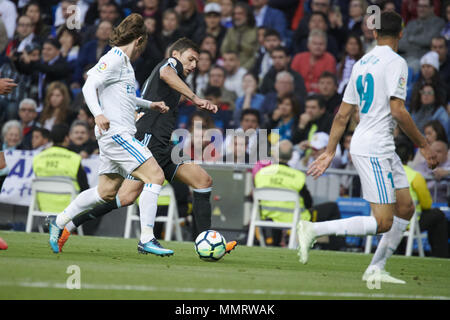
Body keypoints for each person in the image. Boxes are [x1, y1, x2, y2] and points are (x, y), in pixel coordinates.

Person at [56, 37, 238, 255]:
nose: (193, 65)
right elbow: (166, 74)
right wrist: (195, 98)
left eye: (196, 62)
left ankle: (206, 241)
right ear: (176, 55)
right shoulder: (170, 65)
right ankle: (69, 225)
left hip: (164, 144)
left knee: (203, 181)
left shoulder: (175, 76)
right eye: (190, 59)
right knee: (125, 196)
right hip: (148, 139)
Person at [299, 12, 438, 285]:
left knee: (406, 208)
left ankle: (376, 267)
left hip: (378, 145)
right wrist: (423, 144)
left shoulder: (361, 63)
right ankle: (313, 229)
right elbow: (398, 110)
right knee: (384, 221)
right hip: (374, 147)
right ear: (401, 33)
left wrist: (329, 151)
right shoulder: (397, 63)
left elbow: (342, 115)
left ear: (374, 33)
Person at [47, 13, 171, 256]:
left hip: (114, 135)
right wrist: (97, 113)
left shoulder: (124, 63)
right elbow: (88, 84)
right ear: (139, 40)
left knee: (105, 192)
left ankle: (59, 221)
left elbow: (124, 97)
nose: (141, 51)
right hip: (116, 133)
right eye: (142, 45)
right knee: (155, 176)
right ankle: (147, 238)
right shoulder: (114, 58)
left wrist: (149, 105)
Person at [396, 139, 448, 258]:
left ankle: (399, 250)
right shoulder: (415, 176)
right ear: (410, 156)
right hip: (409, 222)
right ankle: (441, 256)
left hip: (387, 218)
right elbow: (426, 204)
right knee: (438, 215)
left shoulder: (384, 174)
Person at [33, 124, 90, 218]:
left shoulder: (38, 158)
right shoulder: (74, 158)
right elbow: (85, 188)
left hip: (44, 208)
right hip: (70, 210)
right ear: (67, 138)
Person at [398, 0, 445, 73]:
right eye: (419, 6)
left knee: (409, 68)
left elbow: (429, 40)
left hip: (422, 59)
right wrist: (419, 43)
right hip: (405, 57)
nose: (421, 9)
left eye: (425, 6)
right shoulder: (411, 23)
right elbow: (400, 44)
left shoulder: (439, 23)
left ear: (432, 8)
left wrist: (410, 39)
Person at [291, 29, 336, 93]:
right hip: (299, 93)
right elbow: (293, 80)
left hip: (321, 95)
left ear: (325, 46)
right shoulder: (298, 58)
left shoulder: (330, 59)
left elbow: (328, 83)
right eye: (314, 44)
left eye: (321, 44)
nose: (318, 47)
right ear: (308, 45)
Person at [220, 2, 258, 70]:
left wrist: (243, 69)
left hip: (249, 70)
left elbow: (256, 55)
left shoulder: (256, 32)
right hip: (230, 69)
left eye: (240, 14)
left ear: (248, 15)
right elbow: (224, 50)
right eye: (234, 14)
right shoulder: (230, 31)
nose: (236, 16)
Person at [415, 140, 450, 204]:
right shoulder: (423, 165)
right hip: (426, 205)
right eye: (432, 151)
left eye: (438, 151)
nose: (435, 154)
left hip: (444, 205)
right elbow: (415, 175)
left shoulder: (448, 165)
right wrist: (433, 173)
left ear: (446, 153)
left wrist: (447, 172)